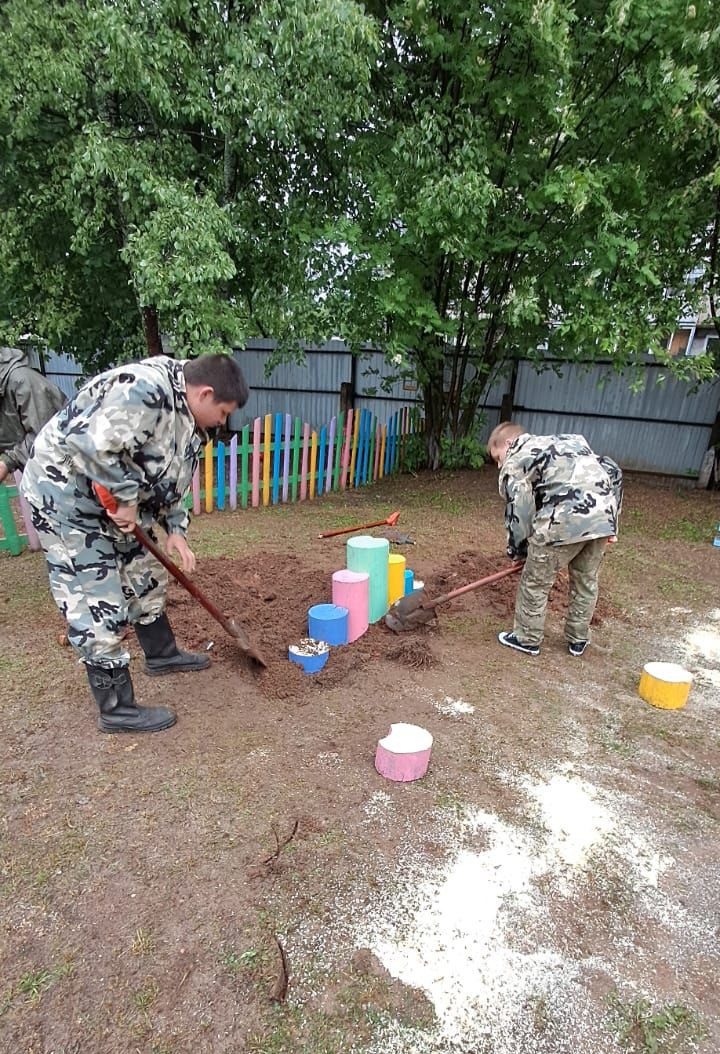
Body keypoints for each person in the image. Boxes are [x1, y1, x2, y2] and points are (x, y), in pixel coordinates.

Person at [21, 353, 249, 733]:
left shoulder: (191, 420)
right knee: (96, 600)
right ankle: (116, 707)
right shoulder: (142, 389)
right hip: (66, 499)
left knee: (144, 575)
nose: (223, 422)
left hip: (116, 503)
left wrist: (176, 529)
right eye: (223, 412)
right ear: (206, 393)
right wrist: (126, 500)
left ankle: (161, 654)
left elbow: (173, 478)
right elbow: (90, 443)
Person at [487, 422, 623, 658]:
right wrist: (612, 521)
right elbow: (613, 470)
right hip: (601, 521)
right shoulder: (572, 442)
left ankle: (526, 638)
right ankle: (578, 639)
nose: (500, 465)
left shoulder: (519, 457)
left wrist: (518, 550)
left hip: (562, 521)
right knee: (585, 581)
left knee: (535, 582)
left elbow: (520, 506)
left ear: (509, 444)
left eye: (498, 457)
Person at [0, 345, 67, 484]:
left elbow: (45, 434)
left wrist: (7, 462)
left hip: (72, 471)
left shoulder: (23, 381)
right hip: (38, 477)